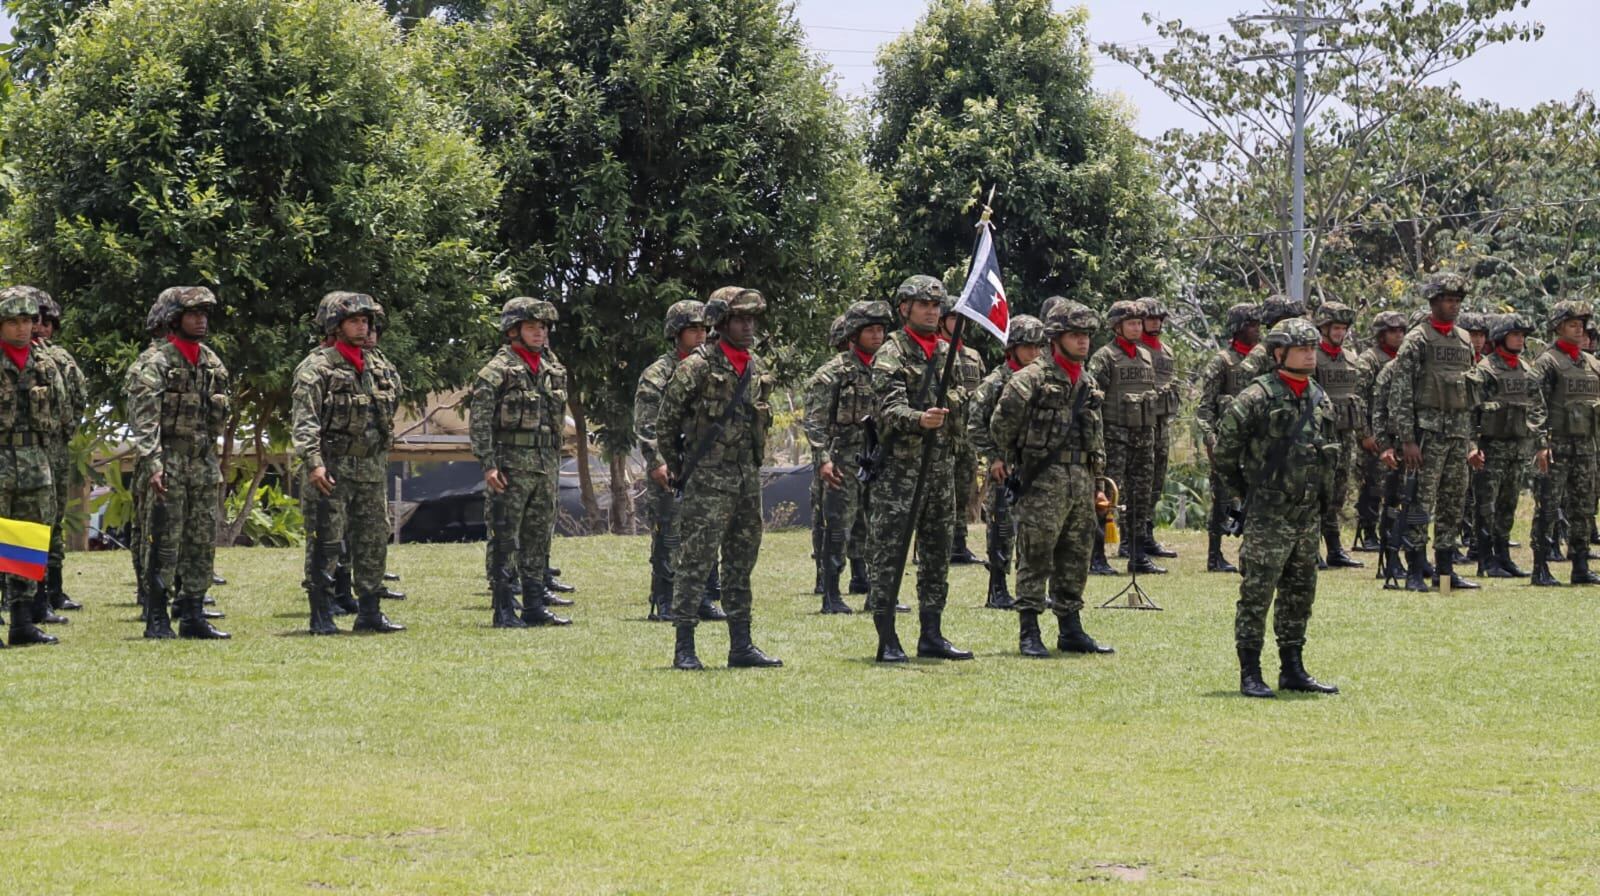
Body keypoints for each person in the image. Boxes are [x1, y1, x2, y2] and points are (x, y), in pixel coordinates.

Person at [1213, 318, 1341, 699]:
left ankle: (1293, 668)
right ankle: (1250, 672)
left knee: (1300, 595)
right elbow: (1224, 453)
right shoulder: (1256, 397)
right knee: (1257, 594)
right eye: (1301, 348)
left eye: (1312, 348)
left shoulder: (1319, 397)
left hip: (1306, 515)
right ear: (1279, 353)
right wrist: (1245, 495)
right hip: (1268, 514)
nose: (1309, 354)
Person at [656, 287, 782, 670]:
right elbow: (666, 421)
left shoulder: (754, 366)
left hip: (746, 480)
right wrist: (679, 467)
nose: (748, 327)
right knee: (695, 563)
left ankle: (741, 645)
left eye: (751, 319)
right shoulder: (695, 367)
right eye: (740, 320)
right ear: (721, 323)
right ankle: (685, 646)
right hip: (708, 481)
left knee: (741, 564)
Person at [989, 300, 1114, 656]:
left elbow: (1096, 434)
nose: (1083, 342)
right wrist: (1013, 459)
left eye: (1087, 335)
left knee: (1076, 555)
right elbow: (1001, 425)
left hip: (1080, 478)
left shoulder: (1087, 381)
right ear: (1055, 338)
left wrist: (1098, 480)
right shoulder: (1030, 378)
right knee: (1036, 553)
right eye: (1075, 335)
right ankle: (1029, 629)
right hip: (1042, 479)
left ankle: (1070, 627)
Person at [863, 275, 974, 663]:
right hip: (901, 469)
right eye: (922, 304)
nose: (931, 310)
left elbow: (963, 398)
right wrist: (918, 418)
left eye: (936, 305)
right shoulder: (891, 353)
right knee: (890, 553)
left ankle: (932, 633)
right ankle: (888, 635)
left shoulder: (948, 352)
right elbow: (887, 407)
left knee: (937, 551)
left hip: (941, 466)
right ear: (904, 308)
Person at [291, 291, 405, 634]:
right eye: (354, 320)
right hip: (331, 469)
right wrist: (313, 462)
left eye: (365, 321)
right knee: (325, 542)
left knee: (372, 540)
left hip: (369, 469)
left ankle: (369, 611)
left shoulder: (379, 365)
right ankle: (322, 614)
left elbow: (391, 405)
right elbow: (304, 419)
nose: (362, 327)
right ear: (335, 325)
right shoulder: (316, 368)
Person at [126, 287, 233, 639]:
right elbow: (144, 421)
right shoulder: (155, 363)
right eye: (193, 314)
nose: (200, 319)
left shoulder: (211, 362)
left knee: (201, 540)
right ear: (175, 319)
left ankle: (193, 613)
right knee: (164, 540)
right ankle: (157, 615)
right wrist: (154, 464)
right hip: (167, 462)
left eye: (204, 313)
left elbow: (218, 416)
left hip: (201, 462)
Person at [469, 297, 573, 628]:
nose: (539, 333)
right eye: (532, 327)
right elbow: (480, 422)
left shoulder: (553, 371)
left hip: (545, 465)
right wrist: (488, 464)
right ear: (513, 330)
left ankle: (534, 605)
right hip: (510, 466)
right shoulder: (496, 372)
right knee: (505, 537)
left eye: (543, 327)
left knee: (538, 537)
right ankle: (503, 608)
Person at [1385, 273, 1485, 591]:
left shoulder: (1464, 340)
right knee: (1419, 504)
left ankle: (1445, 575)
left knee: (1453, 503)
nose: (1453, 305)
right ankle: (1415, 572)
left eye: (1457, 300)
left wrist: (1471, 441)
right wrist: (1407, 440)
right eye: (1447, 299)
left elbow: (1469, 393)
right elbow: (1399, 393)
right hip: (1426, 435)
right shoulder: (1417, 339)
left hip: (1457, 433)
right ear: (1433, 301)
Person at [634, 300, 725, 623]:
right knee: (669, 534)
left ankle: (700, 597)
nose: (701, 335)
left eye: (704, 329)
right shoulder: (658, 373)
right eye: (693, 329)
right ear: (676, 333)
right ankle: (665, 598)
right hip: (671, 464)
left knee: (704, 531)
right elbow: (646, 425)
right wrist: (657, 461)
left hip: (706, 465)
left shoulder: (713, 368)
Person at [803, 300, 893, 615]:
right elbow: (814, 421)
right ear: (854, 334)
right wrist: (823, 459)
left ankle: (878, 593)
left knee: (879, 526)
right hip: (842, 459)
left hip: (878, 457)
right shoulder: (833, 373)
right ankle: (831, 593)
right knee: (838, 527)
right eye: (870, 329)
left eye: (881, 329)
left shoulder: (888, 369)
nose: (877, 335)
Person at [0, 286, 68, 647]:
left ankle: (22, 622)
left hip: (35, 462)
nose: (22, 328)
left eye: (27, 320)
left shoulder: (45, 364)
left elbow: (60, 412)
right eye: (13, 321)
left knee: (26, 541)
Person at [967, 313, 1048, 609]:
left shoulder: (1044, 378)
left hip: (1037, 463)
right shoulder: (994, 382)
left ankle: (1034, 587)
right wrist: (994, 458)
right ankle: (998, 587)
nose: (1034, 353)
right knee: (1002, 529)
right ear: (1012, 347)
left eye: (1039, 346)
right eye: (1028, 346)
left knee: (1038, 528)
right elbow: (975, 425)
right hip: (1005, 466)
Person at [1086, 300, 1162, 575]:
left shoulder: (1145, 355)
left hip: (1144, 436)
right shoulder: (1104, 357)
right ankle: (1097, 556)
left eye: (1139, 323)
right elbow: (1092, 401)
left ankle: (1137, 553)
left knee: (1141, 496)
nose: (1137, 327)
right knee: (1106, 497)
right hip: (1114, 438)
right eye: (1131, 323)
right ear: (1117, 327)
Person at [1467, 313, 1544, 578]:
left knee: (1508, 503)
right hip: (1492, 447)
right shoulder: (1485, 369)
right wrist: (1472, 446)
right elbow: (1471, 410)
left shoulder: (1525, 368)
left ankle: (1503, 556)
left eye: (1523, 336)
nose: (1520, 339)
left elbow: (1537, 408)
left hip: (1518, 446)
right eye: (1515, 335)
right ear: (1501, 337)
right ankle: (1485, 558)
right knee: (1486, 505)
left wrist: (1538, 441)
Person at [1528, 300, 1600, 587]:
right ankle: (1540, 565)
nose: (1579, 328)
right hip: (1556, 445)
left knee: (1583, 507)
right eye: (1572, 323)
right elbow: (1535, 404)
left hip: (1585, 446)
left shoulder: (1592, 363)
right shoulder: (1547, 362)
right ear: (1558, 327)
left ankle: (1580, 564)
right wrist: (1540, 444)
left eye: (1581, 324)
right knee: (1548, 505)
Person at [30, 293, 86, 615]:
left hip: (53, 451)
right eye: (32, 320)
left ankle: (52, 589)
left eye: (45, 322)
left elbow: (75, 399)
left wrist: (62, 433)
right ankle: (19, 593)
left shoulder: (60, 359)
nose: (39, 328)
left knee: (52, 522)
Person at [1195, 302, 1260, 573]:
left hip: (1254, 442)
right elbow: (1205, 406)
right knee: (1222, 499)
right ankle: (1215, 555)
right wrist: (1210, 440)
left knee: (1253, 498)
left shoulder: (1262, 360)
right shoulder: (1222, 362)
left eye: (1257, 325)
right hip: (1226, 441)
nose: (1256, 330)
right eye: (1250, 325)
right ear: (1237, 328)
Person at [1310, 301, 1370, 569]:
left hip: (1345, 436)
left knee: (1337, 492)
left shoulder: (1351, 358)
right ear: (1323, 328)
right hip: (1320, 436)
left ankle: (1335, 549)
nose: (1340, 332)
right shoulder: (1311, 357)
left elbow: (1357, 398)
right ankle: (1312, 550)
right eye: (1335, 327)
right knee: (1315, 492)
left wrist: (1364, 434)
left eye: (1344, 328)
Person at [1352, 311, 1407, 551]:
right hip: (1374, 434)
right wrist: (1365, 434)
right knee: (1373, 486)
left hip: (1397, 433)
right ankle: (1368, 532)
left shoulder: (1405, 359)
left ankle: (1392, 531)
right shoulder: (1369, 360)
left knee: (1397, 488)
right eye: (1393, 331)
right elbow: (1358, 399)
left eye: (1401, 331)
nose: (1399, 335)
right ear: (1381, 334)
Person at [940, 295, 987, 566]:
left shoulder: (973, 356)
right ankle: (935, 543)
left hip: (966, 434)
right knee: (939, 492)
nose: (959, 323)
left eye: (962, 319)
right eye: (955, 318)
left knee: (962, 490)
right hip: (942, 433)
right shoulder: (935, 352)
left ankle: (959, 543)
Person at [1134, 298, 1180, 560]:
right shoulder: (1136, 351)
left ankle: (1147, 533)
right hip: (1139, 423)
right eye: (1150, 319)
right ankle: (1131, 537)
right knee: (1136, 482)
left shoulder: (1167, 351)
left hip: (1162, 423)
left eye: (1158, 319)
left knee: (1156, 482)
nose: (1155, 323)